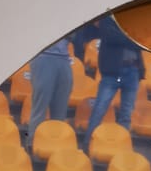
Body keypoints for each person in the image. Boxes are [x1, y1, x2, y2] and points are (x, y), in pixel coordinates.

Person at [80, 13, 144, 147]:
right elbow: (111, 37)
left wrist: (126, 38)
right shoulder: (107, 19)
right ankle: (88, 144)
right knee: (99, 109)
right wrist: (130, 38)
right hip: (112, 72)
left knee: (126, 114)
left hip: (132, 71)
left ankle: (121, 147)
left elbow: (141, 43)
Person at [26, 37, 73, 149]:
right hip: (43, 55)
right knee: (40, 104)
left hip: (64, 57)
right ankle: (33, 142)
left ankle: (56, 142)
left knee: (60, 107)